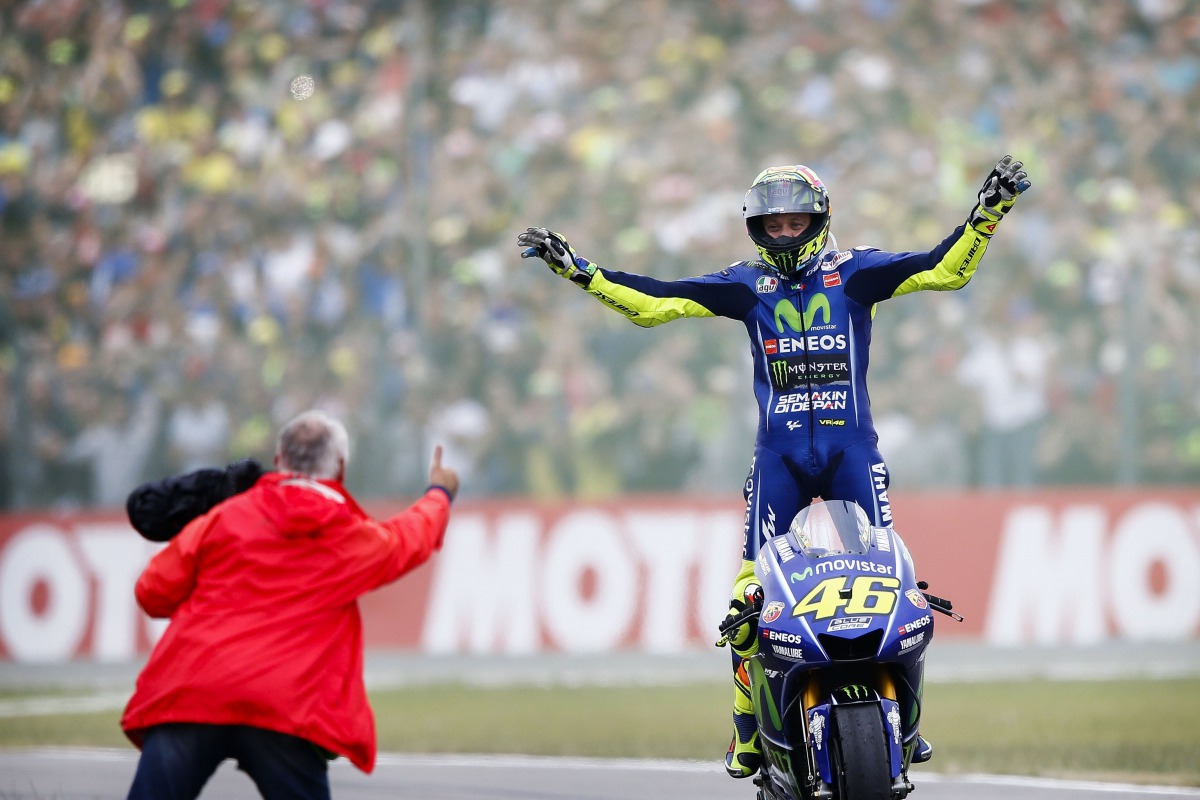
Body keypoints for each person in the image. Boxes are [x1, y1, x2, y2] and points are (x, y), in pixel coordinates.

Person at [517, 156, 1031, 778]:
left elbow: (945, 270)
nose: (784, 234)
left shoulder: (857, 272)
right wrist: (579, 271)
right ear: (755, 229)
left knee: (895, 583)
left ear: (820, 220)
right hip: (778, 459)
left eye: (795, 223)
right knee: (748, 599)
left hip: (852, 453)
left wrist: (988, 212)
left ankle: (907, 721)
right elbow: (655, 304)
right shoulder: (745, 284)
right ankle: (746, 729)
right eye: (772, 225)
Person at [121, 409, 460, 800]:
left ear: (279, 458)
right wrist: (439, 494)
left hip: (194, 689)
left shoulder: (223, 517)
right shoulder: (345, 534)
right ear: (341, 467)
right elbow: (408, 539)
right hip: (286, 705)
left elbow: (152, 592)